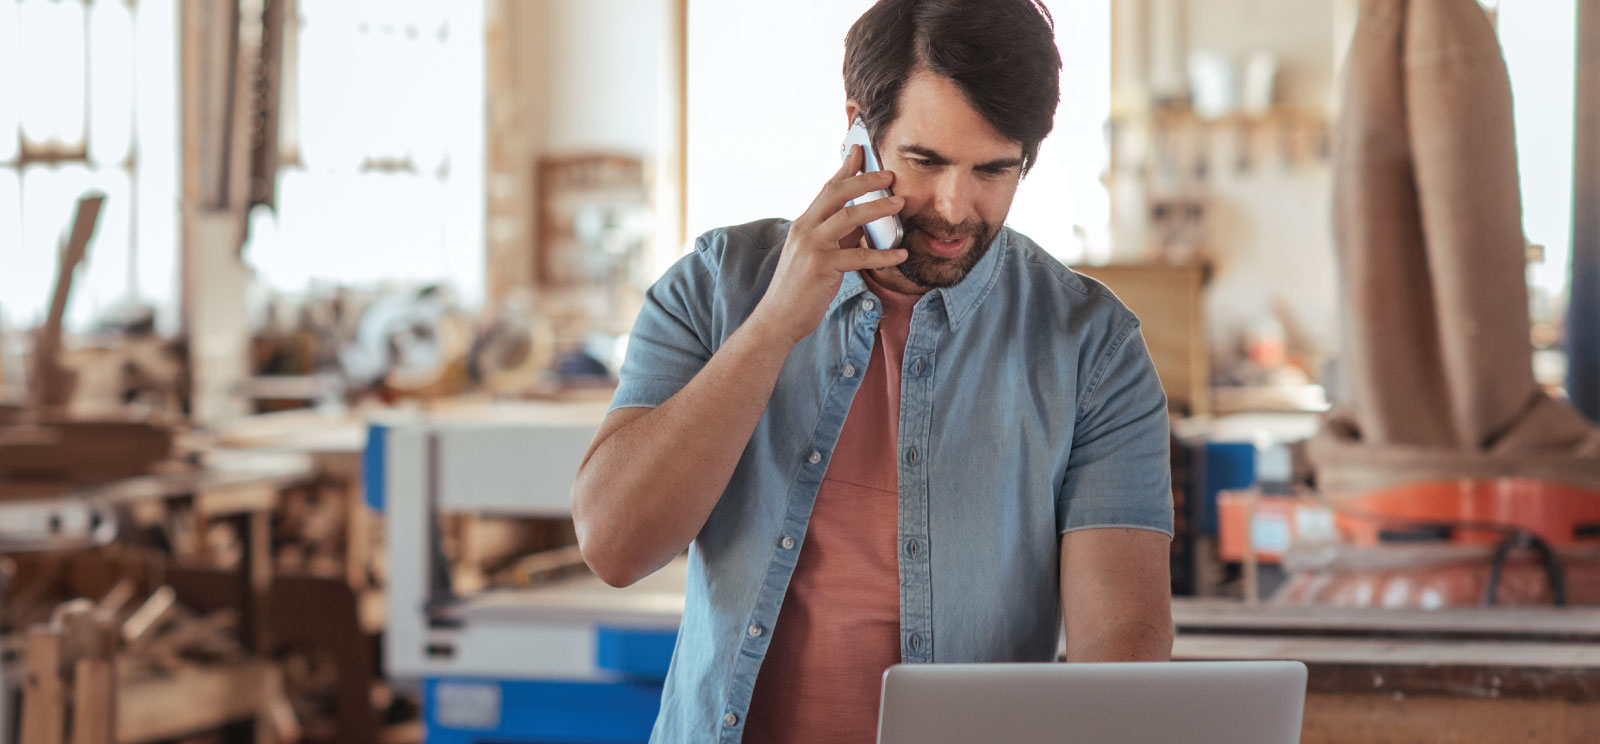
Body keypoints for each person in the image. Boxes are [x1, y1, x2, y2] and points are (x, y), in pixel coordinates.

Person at [571, 1, 1174, 741]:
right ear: (858, 125)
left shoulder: (1093, 347)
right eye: (925, 162)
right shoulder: (714, 287)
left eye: (994, 170)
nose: (956, 208)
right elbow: (614, 546)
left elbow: (1121, 647)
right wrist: (774, 327)